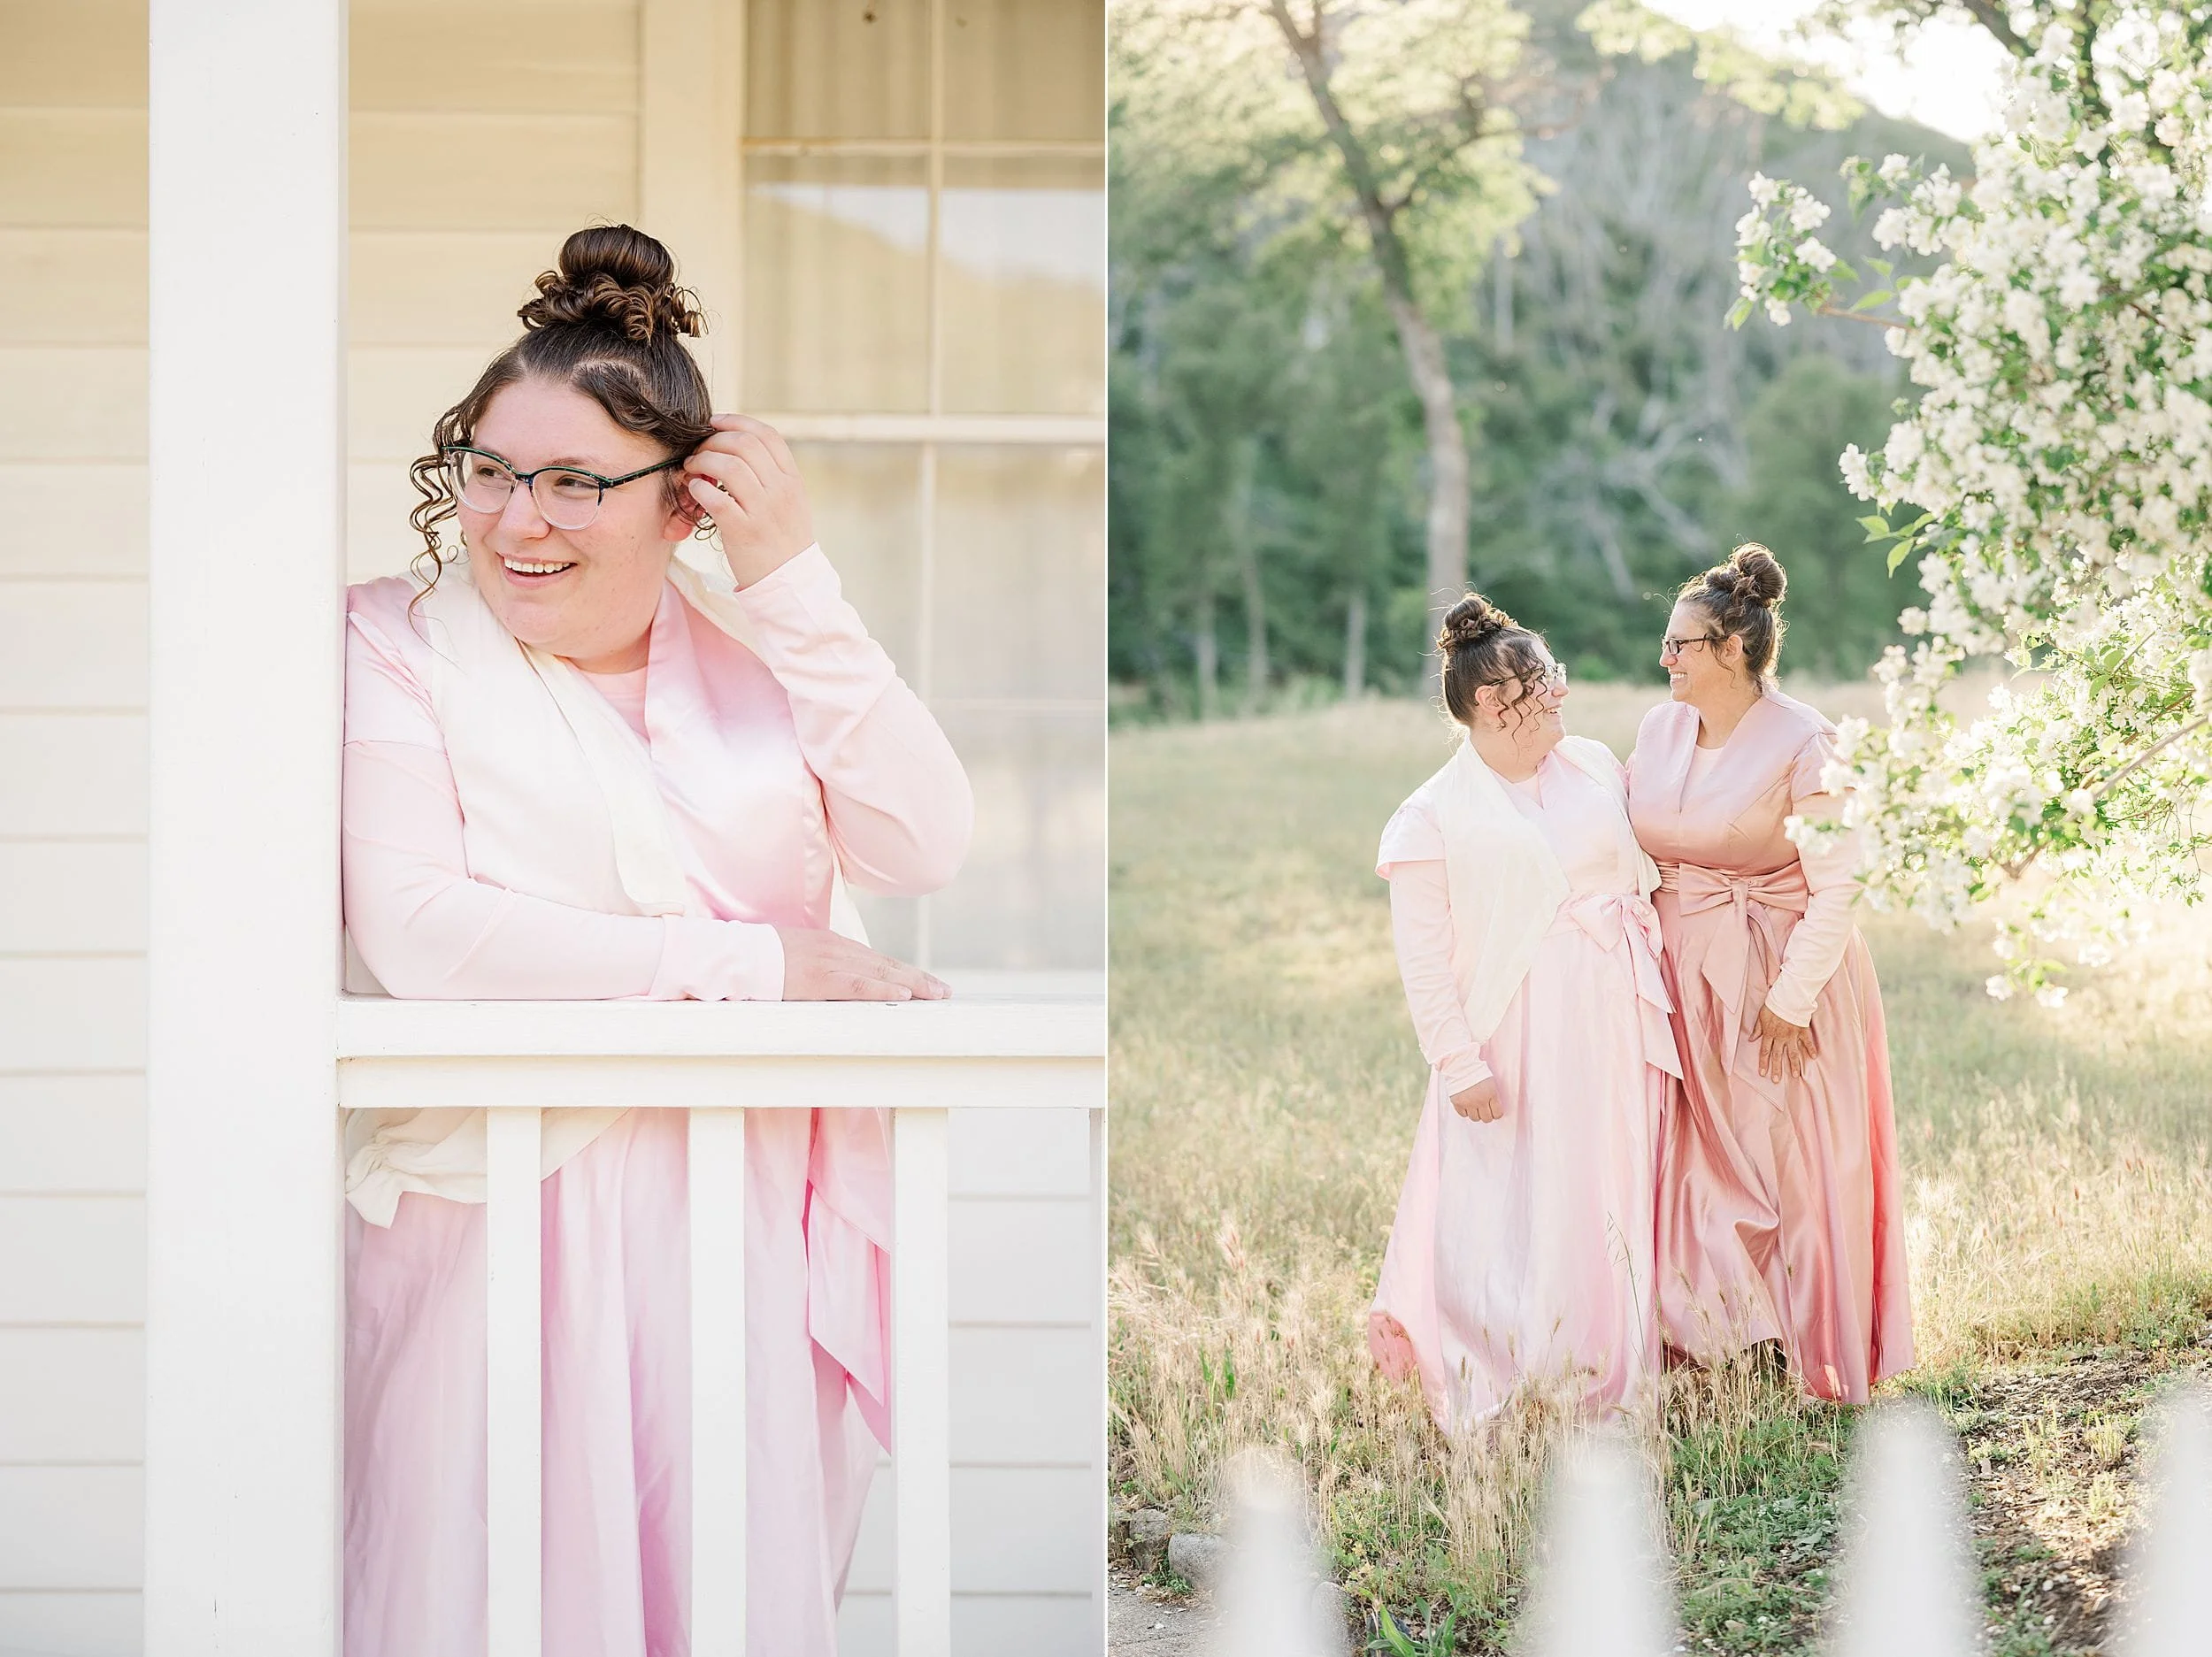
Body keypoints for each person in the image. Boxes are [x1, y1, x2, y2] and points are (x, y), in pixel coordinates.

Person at [338, 225, 973, 1656]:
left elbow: (924, 839)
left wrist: (793, 576)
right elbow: (421, 930)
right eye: (491, 472)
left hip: (741, 1219)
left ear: (681, 505)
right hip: (495, 1219)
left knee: (720, 1596)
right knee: (479, 1597)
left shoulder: (758, 657)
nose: (517, 521)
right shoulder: (393, 644)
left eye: (576, 481)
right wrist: (759, 964)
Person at [1367, 596, 1682, 1431]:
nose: (1559, 699)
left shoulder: (1591, 764)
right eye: (1540, 685)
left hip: (1614, 1010)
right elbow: (1424, 961)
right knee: (1506, 1198)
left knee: (1605, 1183)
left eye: (1555, 678)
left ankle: (1608, 1367)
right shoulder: (1434, 815)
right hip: (1513, 1028)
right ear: (1486, 702)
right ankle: (1501, 1363)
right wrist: (1459, 1062)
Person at [1627, 542, 1912, 1403]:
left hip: (1780, 983)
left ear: (1733, 650)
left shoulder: (1805, 741)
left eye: (1681, 643)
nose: (1664, 657)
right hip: (1682, 980)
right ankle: (1715, 1343)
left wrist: (1790, 1000)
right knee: (1689, 1169)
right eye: (1668, 643)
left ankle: (1800, 1350)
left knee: (1782, 1164)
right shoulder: (1657, 728)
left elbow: (1839, 885)